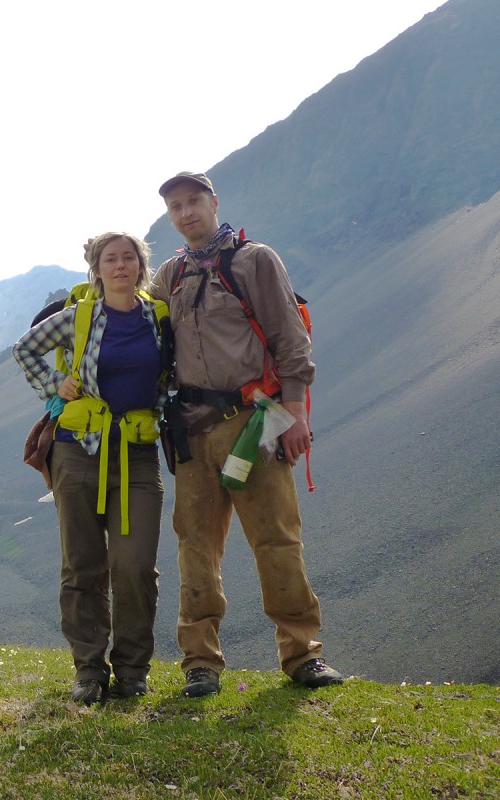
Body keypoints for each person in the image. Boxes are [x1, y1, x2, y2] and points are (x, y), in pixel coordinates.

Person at [149, 171, 344, 698]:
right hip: (190, 431)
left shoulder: (255, 260)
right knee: (195, 546)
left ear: (214, 202)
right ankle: (200, 661)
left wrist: (296, 414)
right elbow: (130, 318)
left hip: (253, 421)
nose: (186, 212)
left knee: (276, 538)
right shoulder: (169, 274)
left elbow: (290, 338)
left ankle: (302, 654)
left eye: (193, 201)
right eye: (175, 206)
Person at [13, 232, 169, 704]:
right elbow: (24, 349)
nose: (120, 266)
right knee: (82, 565)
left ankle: (132, 669)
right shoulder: (78, 317)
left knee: (135, 565)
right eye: (110, 259)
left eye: (129, 258)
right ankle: (88, 670)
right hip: (77, 450)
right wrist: (53, 383)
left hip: (137, 453)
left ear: (141, 267)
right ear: (96, 269)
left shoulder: (159, 319)